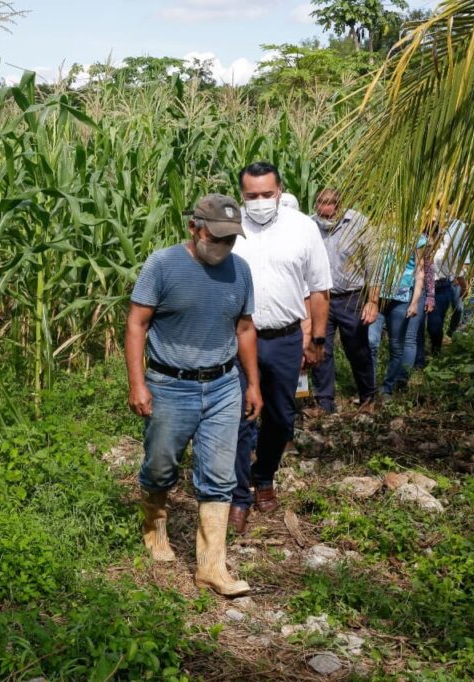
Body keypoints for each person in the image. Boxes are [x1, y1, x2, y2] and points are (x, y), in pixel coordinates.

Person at [125, 193, 263, 597]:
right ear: (193, 228)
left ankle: (212, 567)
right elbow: (137, 324)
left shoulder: (240, 270)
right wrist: (137, 383)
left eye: (230, 239)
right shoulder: (162, 265)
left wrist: (253, 384)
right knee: (160, 465)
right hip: (171, 384)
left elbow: (244, 328)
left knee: (220, 476)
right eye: (215, 237)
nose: (222, 246)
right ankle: (154, 524)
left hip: (223, 385)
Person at [227, 162, 332, 533]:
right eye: (251, 195)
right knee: (240, 417)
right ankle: (238, 496)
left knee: (282, 418)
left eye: (267, 194)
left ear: (280, 190)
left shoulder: (302, 228)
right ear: (242, 195)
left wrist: (316, 339)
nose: (259, 201)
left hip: (285, 338)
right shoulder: (231, 229)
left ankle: (264, 475)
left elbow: (319, 288)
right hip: (238, 339)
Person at [307, 188, 379, 416]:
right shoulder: (309, 226)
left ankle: (368, 397)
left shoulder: (359, 224)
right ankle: (324, 402)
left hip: (352, 297)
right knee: (321, 349)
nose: (325, 209)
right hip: (321, 298)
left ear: (340, 206)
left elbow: (374, 266)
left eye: (330, 204)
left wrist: (373, 301)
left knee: (358, 350)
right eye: (321, 204)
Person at [373, 234, 428, 395]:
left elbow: (419, 272)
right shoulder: (379, 233)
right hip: (377, 297)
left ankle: (388, 388)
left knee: (396, 346)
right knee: (371, 342)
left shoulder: (418, 239)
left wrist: (415, 302)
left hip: (401, 299)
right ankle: (369, 389)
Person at [426, 219, 470, 354]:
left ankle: (436, 350)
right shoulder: (423, 242)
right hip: (421, 286)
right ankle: (419, 357)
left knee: (435, 325)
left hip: (441, 287)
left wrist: (463, 286)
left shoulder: (449, 245)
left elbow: (459, 267)